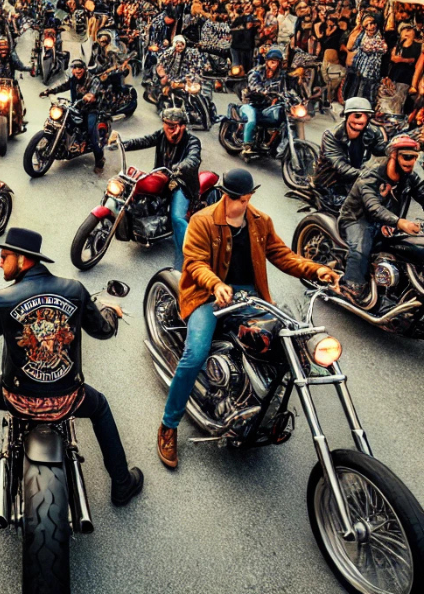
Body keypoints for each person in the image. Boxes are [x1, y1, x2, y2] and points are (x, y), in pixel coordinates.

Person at [0, 227, 143, 507]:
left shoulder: (2, 298)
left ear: (23, 260)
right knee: (100, 406)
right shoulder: (75, 290)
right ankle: (122, 483)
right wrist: (111, 311)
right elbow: (103, 330)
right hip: (69, 399)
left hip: (17, 399)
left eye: (5, 256)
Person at [156, 169, 337, 468]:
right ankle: (168, 425)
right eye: (235, 196)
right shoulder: (203, 221)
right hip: (208, 294)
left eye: (243, 197)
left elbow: (282, 255)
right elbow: (195, 263)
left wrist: (314, 269)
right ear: (227, 194)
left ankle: (260, 406)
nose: (239, 201)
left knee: (284, 341)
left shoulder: (260, 222)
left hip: (249, 294)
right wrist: (215, 284)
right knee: (194, 355)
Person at [338, 135, 424, 307]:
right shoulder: (372, 175)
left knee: (412, 249)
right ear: (394, 155)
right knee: (361, 248)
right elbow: (373, 207)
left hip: (388, 222)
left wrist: (396, 223)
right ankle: (351, 285)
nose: (411, 161)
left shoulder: (409, 177)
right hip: (357, 219)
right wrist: (400, 222)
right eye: (406, 156)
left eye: (415, 157)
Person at [115, 107, 202, 270]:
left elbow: (194, 158)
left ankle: (184, 260)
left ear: (182, 126)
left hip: (181, 183)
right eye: (166, 124)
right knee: (133, 190)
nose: (167, 128)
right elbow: (145, 140)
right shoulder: (162, 135)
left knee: (177, 218)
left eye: (172, 125)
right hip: (161, 177)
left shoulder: (192, 141)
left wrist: (181, 167)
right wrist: (122, 144)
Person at [313, 97, 386, 202]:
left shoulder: (373, 132)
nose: (359, 120)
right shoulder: (331, 135)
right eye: (356, 115)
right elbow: (341, 166)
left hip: (355, 181)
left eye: (365, 116)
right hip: (331, 184)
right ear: (347, 116)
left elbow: (382, 149)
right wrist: (368, 176)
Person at [41, 59, 105, 173]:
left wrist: (89, 96)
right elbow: (62, 86)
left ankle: (100, 159)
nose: (77, 71)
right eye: (75, 68)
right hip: (76, 107)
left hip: (91, 110)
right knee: (61, 121)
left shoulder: (93, 80)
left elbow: (94, 91)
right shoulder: (73, 79)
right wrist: (49, 91)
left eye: (80, 68)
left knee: (91, 132)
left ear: (84, 69)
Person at [240, 47, 290, 157]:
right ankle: (247, 146)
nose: (274, 65)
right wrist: (264, 92)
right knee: (252, 119)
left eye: (277, 62)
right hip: (251, 104)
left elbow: (285, 90)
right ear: (266, 61)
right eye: (272, 62)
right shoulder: (256, 72)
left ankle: (273, 144)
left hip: (268, 106)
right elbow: (254, 86)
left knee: (284, 119)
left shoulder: (280, 76)